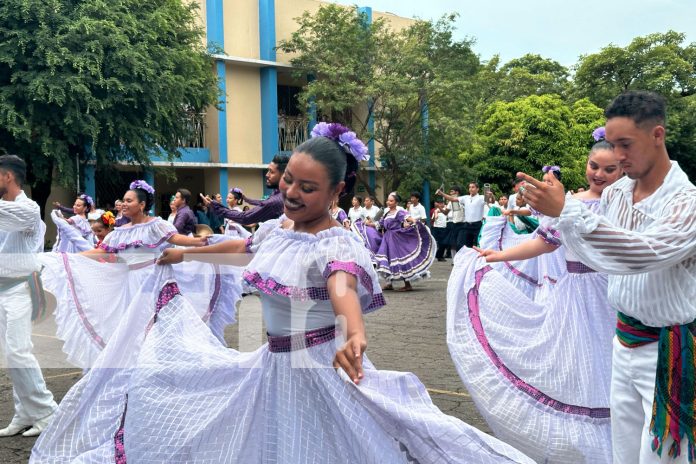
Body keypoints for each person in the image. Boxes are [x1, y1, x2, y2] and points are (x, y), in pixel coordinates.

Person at [32, 124, 533, 463]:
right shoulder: (281, 230)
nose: (291, 192)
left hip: (319, 370)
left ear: (337, 192)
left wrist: (354, 331)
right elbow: (243, 247)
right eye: (289, 181)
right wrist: (188, 254)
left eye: (307, 188)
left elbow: (341, 286)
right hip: (272, 366)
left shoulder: (336, 242)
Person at [518, 91, 696, 463]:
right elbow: (599, 256)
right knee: (624, 450)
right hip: (623, 340)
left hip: (667, 348)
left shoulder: (687, 201)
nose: (617, 156)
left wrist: (568, 211)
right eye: (613, 145)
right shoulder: (615, 194)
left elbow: (645, 253)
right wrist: (565, 218)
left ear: (657, 135)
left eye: (625, 144)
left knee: (665, 455)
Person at [448, 137, 623, 463]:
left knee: (612, 368)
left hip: (612, 294)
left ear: (623, 169)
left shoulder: (624, 202)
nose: (599, 174)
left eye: (609, 169)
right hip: (573, 294)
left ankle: (620, 444)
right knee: (575, 367)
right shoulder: (568, 202)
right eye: (594, 166)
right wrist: (497, 255)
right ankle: (582, 448)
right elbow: (544, 243)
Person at [0, 155, 57, 437]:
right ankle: (25, 413)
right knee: (11, 355)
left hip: (21, 288)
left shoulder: (28, 209)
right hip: (2, 290)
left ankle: (47, 412)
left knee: (18, 351)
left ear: (7, 176)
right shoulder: (7, 208)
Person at [375, 191, 436, 292]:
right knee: (388, 259)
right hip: (387, 238)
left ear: (396, 202)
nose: (388, 202)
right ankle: (389, 283)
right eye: (388, 200)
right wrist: (368, 224)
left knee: (399, 259)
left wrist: (415, 222)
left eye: (391, 201)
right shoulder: (386, 213)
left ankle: (407, 284)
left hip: (396, 238)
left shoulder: (399, 212)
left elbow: (408, 218)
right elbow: (379, 224)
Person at [204, 154, 288, 225]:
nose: (266, 175)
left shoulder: (275, 201)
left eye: (271, 172)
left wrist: (216, 206)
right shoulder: (281, 194)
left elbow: (244, 217)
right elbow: (262, 203)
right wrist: (246, 199)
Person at [438, 185, 466, 253]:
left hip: (463, 224)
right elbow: (445, 212)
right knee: (453, 244)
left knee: (460, 244)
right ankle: (454, 261)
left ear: (457, 192)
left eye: (452, 191)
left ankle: (461, 260)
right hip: (454, 224)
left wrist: (441, 193)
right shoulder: (451, 202)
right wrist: (439, 207)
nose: (450, 193)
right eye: (450, 192)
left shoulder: (463, 199)